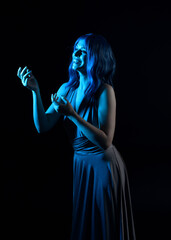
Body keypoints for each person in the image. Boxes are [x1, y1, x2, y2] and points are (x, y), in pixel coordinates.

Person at [17, 33, 136, 240]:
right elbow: (42, 126)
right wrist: (35, 91)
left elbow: (106, 141)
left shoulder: (104, 91)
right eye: (75, 49)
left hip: (104, 166)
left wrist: (72, 115)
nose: (76, 53)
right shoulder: (66, 89)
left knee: (105, 225)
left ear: (95, 57)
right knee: (87, 226)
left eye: (83, 51)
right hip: (81, 164)